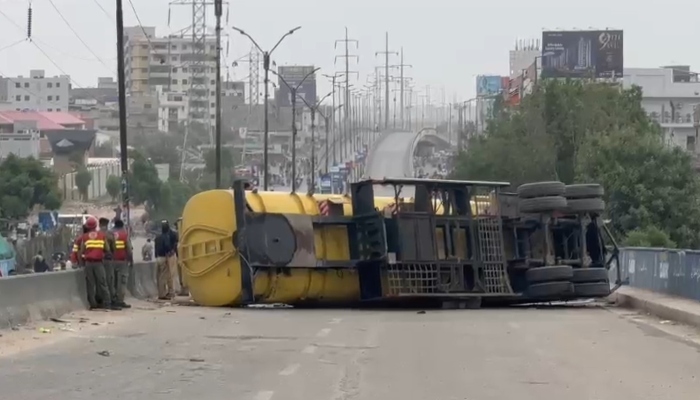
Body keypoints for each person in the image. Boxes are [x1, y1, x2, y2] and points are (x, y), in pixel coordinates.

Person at [78, 216, 116, 310]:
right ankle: (107, 303)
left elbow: (81, 251)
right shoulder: (101, 236)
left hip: (88, 263)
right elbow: (107, 249)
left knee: (90, 284)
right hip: (99, 263)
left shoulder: (85, 237)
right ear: (95, 226)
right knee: (103, 283)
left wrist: (81, 262)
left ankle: (93, 304)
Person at [111, 219, 132, 309]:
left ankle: (113, 299)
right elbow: (128, 249)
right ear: (122, 226)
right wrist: (131, 260)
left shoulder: (109, 234)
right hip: (122, 262)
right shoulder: (124, 234)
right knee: (122, 282)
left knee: (112, 281)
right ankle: (120, 300)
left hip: (111, 262)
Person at [155, 220, 177, 300]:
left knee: (159, 277)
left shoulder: (157, 237)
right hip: (164, 257)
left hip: (158, 258)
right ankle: (163, 294)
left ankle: (161, 293)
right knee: (165, 277)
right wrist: (169, 252)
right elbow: (167, 246)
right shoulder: (166, 236)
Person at [99, 217, 117, 306]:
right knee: (110, 279)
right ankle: (111, 299)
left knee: (101, 280)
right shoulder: (110, 234)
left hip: (98, 260)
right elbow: (114, 248)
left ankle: (102, 299)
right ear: (106, 225)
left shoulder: (96, 234)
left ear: (99, 224)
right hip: (108, 260)